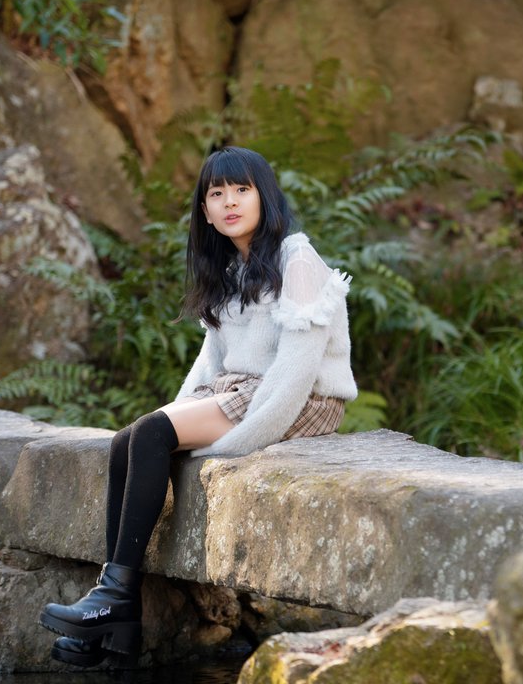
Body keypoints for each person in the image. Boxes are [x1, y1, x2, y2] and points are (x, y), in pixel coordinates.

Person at [38, 146, 357, 666]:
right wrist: (176, 420)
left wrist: (232, 443)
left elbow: (296, 371)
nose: (230, 202)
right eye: (217, 193)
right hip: (243, 390)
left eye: (242, 190)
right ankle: (116, 620)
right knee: (129, 441)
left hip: (299, 399)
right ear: (205, 211)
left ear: (264, 197)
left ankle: (114, 603)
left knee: (151, 434)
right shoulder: (233, 268)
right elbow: (209, 367)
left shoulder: (296, 259)